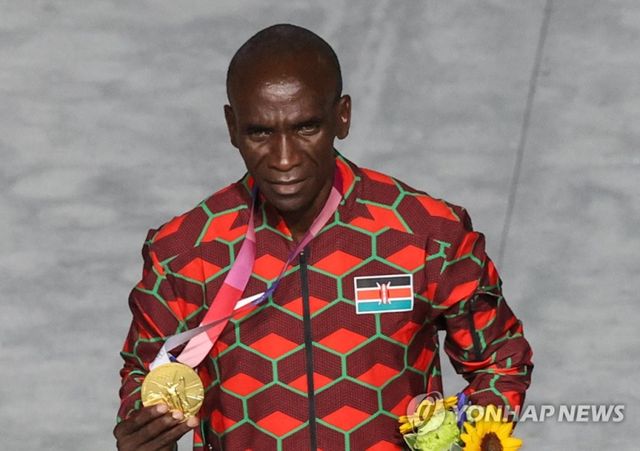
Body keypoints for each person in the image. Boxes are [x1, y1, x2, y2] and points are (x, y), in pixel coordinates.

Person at [114, 24, 533, 451]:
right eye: (260, 132)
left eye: (306, 128)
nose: (284, 159)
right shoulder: (184, 252)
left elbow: (501, 361)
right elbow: (143, 381)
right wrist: (147, 437)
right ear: (231, 126)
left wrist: (473, 438)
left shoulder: (427, 233)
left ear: (342, 116)